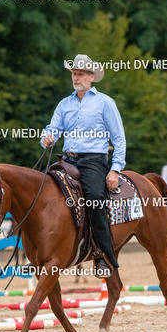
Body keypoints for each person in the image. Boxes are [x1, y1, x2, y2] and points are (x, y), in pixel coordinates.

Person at [41, 54, 126, 278]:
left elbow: (118, 138)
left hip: (94, 160)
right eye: (74, 74)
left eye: (80, 74)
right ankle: (42, 250)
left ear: (91, 77)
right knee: (41, 189)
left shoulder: (105, 103)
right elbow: (53, 128)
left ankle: (102, 255)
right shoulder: (64, 104)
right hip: (67, 159)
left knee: (95, 198)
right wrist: (48, 137)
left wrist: (115, 169)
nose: (76, 78)